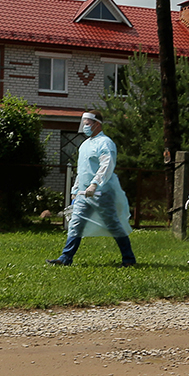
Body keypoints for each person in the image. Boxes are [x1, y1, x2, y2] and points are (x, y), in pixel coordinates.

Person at [47, 111, 136, 267]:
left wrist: (95, 183)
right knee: (76, 223)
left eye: (88, 123)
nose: (85, 127)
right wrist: (75, 190)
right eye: (84, 123)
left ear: (97, 124)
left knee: (113, 225)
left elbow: (107, 165)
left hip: (102, 193)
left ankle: (128, 259)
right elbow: (83, 170)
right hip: (84, 194)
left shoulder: (105, 143)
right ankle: (65, 258)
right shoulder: (85, 145)